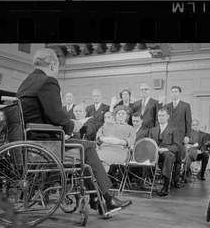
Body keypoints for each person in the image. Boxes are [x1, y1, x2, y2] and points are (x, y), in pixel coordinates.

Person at [15, 48, 132, 214]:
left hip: (30, 138)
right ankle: (106, 198)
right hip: (45, 141)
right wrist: (73, 125)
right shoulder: (48, 81)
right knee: (88, 147)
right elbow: (56, 117)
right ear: (53, 65)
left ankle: (96, 198)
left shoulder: (26, 82)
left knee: (83, 152)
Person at [148, 108, 181, 196]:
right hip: (155, 151)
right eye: (159, 116)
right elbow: (149, 143)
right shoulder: (152, 130)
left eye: (163, 115)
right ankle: (142, 179)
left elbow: (177, 145)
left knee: (167, 156)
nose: (160, 117)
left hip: (168, 152)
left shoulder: (174, 129)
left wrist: (167, 149)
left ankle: (165, 186)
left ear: (167, 117)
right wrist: (155, 149)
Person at [163, 86, 192, 188]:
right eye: (172, 92)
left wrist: (187, 135)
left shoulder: (185, 106)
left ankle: (176, 180)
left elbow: (189, 122)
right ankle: (167, 180)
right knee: (169, 157)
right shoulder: (167, 106)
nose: (174, 94)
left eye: (176, 92)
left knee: (178, 159)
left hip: (180, 136)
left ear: (179, 93)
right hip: (169, 135)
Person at [96, 105, 136, 173]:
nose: (120, 115)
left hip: (119, 151)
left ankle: (100, 182)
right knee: (91, 160)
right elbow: (99, 134)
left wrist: (119, 141)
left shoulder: (130, 128)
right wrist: (104, 139)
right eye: (118, 113)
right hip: (103, 149)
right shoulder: (107, 125)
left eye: (123, 114)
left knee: (103, 162)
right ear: (115, 115)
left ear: (127, 116)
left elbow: (131, 140)